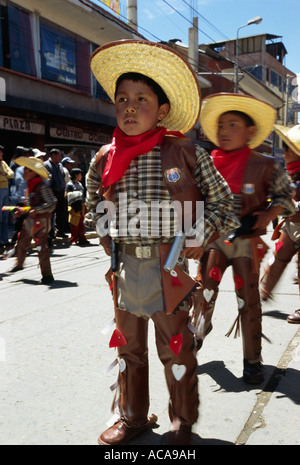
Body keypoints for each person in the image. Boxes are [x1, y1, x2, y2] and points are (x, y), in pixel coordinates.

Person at [86, 40, 239, 446]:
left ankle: (181, 423)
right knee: (128, 349)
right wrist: (104, 235)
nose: (130, 107)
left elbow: (224, 202)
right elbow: (90, 203)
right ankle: (133, 417)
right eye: (122, 99)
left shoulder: (184, 153)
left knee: (176, 349)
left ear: (163, 110)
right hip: (123, 271)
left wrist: (199, 236)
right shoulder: (104, 157)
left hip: (168, 267)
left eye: (142, 99)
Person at [196, 93, 295, 385]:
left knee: (248, 302)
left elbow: (285, 197)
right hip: (212, 241)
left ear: (250, 132)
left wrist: (267, 216)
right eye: (221, 125)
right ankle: (199, 332)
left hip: (246, 243)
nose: (224, 131)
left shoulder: (266, 165)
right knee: (204, 293)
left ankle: (252, 361)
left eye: (232, 124)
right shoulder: (205, 162)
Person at [260, 124, 300, 324]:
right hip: (290, 225)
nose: (283, 154)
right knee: (278, 257)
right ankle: (264, 292)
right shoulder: (288, 173)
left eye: (287, 149)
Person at [9, 156, 57, 284]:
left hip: (41, 221)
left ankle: (47, 276)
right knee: (22, 242)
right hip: (31, 220)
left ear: (33, 172)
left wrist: (38, 210)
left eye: (27, 170)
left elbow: (52, 202)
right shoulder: (30, 186)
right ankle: (19, 264)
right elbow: (30, 206)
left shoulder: (42, 186)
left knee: (42, 248)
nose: (24, 172)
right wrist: (22, 210)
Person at [44, 148, 67, 241]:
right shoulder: (46, 165)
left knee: (61, 212)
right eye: (59, 155)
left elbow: (63, 177)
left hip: (61, 191)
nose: (60, 157)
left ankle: (60, 231)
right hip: (52, 192)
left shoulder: (60, 165)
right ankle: (50, 233)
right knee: (51, 213)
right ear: (53, 155)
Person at [66, 168, 89, 245]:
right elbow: (66, 195)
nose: (81, 176)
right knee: (74, 224)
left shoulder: (80, 184)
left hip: (82, 205)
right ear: (76, 175)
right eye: (80, 174)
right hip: (74, 207)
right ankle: (74, 239)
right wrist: (76, 195)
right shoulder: (69, 185)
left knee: (82, 223)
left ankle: (82, 238)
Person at [0, 145, 14, 250]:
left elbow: (11, 174)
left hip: (5, 190)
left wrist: (4, 174)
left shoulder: (3, 163)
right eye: (0, 152)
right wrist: (5, 175)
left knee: (5, 216)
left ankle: (4, 240)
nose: (2, 154)